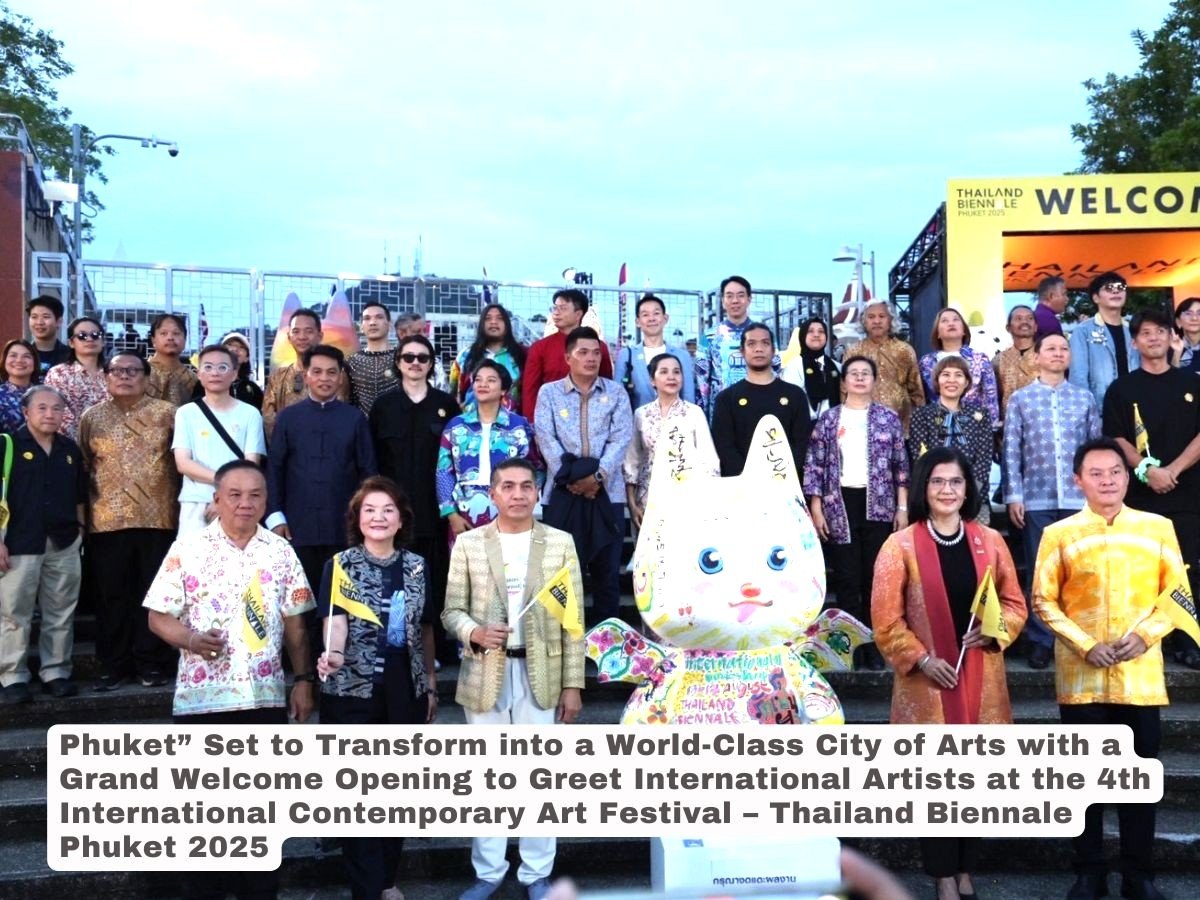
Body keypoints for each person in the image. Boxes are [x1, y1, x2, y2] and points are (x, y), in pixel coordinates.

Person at [145, 458, 314, 900]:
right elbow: (158, 616)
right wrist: (190, 638)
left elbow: (296, 624)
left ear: (266, 500)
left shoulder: (281, 552)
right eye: (234, 495)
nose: (245, 503)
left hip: (264, 700)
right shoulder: (188, 549)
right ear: (216, 499)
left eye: (255, 495)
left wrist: (302, 680)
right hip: (202, 700)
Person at [872, 446, 1026, 900]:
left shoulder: (990, 541)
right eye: (938, 481)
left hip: (981, 678)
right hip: (927, 684)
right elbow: (886, 619)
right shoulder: (899, 545)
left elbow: (1014, 603)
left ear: (967, 488)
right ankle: (942, 873)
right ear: (924, 487)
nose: (947, 490)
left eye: (956, 481)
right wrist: (921, 658)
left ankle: (965, 868)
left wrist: (995, 631)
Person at [1034, 437, 1182, 900]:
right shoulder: (1059, 534)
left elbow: (1178, 596)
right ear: (1078, 481)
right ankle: (1089, 872)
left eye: (1115, 471)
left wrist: (1146, 635)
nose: (1107, 481)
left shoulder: (1158, 528)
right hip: (1082, 677)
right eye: (1095, 473)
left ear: (1127, 477)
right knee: (1084, 782)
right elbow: (1043, 600)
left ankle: (1139, 876)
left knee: (1138, 782)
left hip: (1140, 677)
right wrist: (1084, 645)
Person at [442, 458, 584, 900]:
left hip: (543, 672)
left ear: (538, 493)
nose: (518, 494)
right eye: (507, 486)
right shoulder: (469, 543)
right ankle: (488, 872)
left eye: (526, 486)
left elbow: (574, 620)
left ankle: (536, 872)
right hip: (485, 670)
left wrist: (574, 684)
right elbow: (451, 611)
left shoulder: (560, 542)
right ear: (492, 493)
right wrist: (474, 632)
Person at [316, 476, 437, 900]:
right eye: (369, 510)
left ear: (401, 519)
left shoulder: (417, 566)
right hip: (352, 690)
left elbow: (425, 628)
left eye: (388, 510)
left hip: (405, 688)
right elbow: (335, 620)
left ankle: (387, 880)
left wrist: (430, 684)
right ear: (357, 519)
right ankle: (367, 889)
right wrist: (333, 653)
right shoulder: (341, 564)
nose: (379, 517)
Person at [1102, 307, 1200, 670]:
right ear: (1135, 342)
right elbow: (1116, 437)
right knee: (1142, 569)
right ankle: (1144, 642)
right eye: (1146, 332)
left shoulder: (1192, 383)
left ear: (1171, 336)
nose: (1154, 337)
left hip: (1188, 493)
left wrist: (1172, 470)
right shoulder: (1122, 388)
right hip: (1141, 496)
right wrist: (1147, 470)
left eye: (1161, 330)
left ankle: (1188, 641)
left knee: (1187, 568)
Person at [267, 344, 377, 659]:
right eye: (317, 372)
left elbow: (368, 472)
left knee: (341, 599)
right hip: (296, 525)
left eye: (331, 372)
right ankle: (302, 667)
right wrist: (275, 517)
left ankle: (338, 661)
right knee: (299, 600)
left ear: (341, 377)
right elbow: (274, 470)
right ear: (306, 375)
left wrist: (365, 519)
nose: (324, 379)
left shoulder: (354, 419)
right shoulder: (288, 418)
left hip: (343, 525)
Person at [78, 353, 179, 690]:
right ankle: (113, 666)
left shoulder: (168, 413)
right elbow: (84, 464)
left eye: (133, 371)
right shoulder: (92, 417)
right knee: (111, 597)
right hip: (106, 520)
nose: (124, 376)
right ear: (106, 377)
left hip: (159, 518)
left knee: (154, 595)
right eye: (116, 371)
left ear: (147, 378)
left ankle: (152, 663)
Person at [1003, 333, 1102, 669]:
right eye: (1051, 349)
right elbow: (1011, 449)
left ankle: (1078, 636)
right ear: (1037, 356)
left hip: (1078, 499)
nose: (1058, 353)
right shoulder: (1021, 399)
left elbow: (1094, 448)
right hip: (1036, 498)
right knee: (1041, 569)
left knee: (1079, 568)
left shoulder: (1084, 398)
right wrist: (1014, 495)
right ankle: (1041, 639)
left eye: (1063, 349)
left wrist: (1095, 492)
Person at [804, 355, 909, 671]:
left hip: (880, 504)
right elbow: (814, 464)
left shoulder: (888, 418)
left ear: (874, 380)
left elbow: (901, 465)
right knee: (848, 578)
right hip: (838, 505)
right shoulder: (829, 419)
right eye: (854, 373)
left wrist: (902, 507)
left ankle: (874, 646)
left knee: (874, 579)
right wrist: (816, 507)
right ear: (844, 381)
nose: (860, 378)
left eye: (866, 373)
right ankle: (849, 648)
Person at [370, 334, 462, 663]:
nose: (415, 363)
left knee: (435, 579)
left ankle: (436, 647)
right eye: (408, 357)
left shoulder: (446, 405)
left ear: (431, 363)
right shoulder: (383, 406)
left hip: (435, 513)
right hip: (393, 513)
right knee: (395, 580)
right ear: (398, 362)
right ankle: (400, 647)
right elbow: (373, 460)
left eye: (423, 358)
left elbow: (455, 460)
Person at [534, 327, 632, 625]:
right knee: (561, 575)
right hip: (562, 493)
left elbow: (621, 438)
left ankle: (608, 642)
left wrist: (598, 477)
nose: (591, 358)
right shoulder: (549, 393)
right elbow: (545, 437)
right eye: (583, 352)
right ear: (568, 358)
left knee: (607, 575)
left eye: (596, 353)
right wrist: (571, 479)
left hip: (607, 494)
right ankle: (563, 644)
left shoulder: (615, 393)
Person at [0, 386, 86, 704]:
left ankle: (56, 672)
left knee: (61, 611)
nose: (50, 414)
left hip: (63, 540)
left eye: (57, 408)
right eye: (42, 408)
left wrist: (80, 530)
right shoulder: (7, 445)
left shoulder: (69, 449)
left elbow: (79, 494)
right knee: (14, 613)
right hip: (19, 541)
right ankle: (12, 676)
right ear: (26, 412)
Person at [437, 359, 540, 541]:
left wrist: (525, 501)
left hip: (511, 508)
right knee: (467, 559)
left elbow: (536, 467)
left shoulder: (519, 426)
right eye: (478, 380)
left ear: (503, 389)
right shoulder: (456, 425)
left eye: (491, 380)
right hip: (464, 511)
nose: (483, 384)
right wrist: (451, 513)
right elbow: (444, 471)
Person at [173, 344, 266, 535]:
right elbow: (183, 463)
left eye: (222, 367)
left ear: (234, 374)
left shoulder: (250, 413)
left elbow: (250, 464)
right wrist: (224, 483)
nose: (215, 373)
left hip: (238, 503)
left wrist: (226, 497)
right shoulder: (186, 413)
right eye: (208, 367)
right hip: (196, 502)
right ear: (199, 374)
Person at [623, 352, 719, 528]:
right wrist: (632, 504)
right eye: (664, 372)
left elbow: (709, 461)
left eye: (676, 372)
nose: (671, 377)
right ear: (652, 380)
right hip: (647, 501)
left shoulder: (694, 413)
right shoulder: (641, 414)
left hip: (688, 501)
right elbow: (632, 462)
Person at [712, 323, 811, 476]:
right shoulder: (726, 399)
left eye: (765, 343)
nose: (758, 349)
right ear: (742, 351)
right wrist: (748, 476)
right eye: (751, 344)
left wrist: (783, 473)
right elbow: (724, 446)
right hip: (741, 484)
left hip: (786, 482)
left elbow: (802, 443)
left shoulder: (795, 396)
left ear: (773, 350)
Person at [907, 356, 994, 525]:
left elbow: (984, 459)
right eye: (946, 374)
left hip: (973, 497)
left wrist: (967, 491)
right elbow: (921, 458)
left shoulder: (980, 415)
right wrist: (940, 489)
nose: (952, 380)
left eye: (958, 375)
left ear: (966, 382)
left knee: (975, 539)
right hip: (934, 497)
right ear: (937, 380)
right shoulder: (922, 415)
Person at [522, 289, 613, 422]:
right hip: (551, 420)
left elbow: (607, 386)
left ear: (578, 314)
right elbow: (530, 390)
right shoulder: (539, 348)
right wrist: (531, 423)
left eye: (563, 308)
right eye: (555, 308)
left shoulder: (599, 347)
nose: (556, 312)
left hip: (591, 419)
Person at [696, 275, 780, 418]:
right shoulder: (709, 337)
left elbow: (776, 370)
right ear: (723, 301)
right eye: (729, 296)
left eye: (740, 295)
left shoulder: (764, 335)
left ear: (749, 299)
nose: (735, 300)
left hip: (760, 407)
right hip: (722, 410)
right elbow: (701, 380)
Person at [263, 308, 349, 439]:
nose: (302, 337)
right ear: (289, 337)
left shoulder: (335, 375)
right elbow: (269, 418)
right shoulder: (278, 376)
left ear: (320, 336)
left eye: (308, 331)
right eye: (296, 331)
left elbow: (339, 414)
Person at [841, 299, 924, 432]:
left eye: (882, 316)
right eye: (871, 317)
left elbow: (916, 390)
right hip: (862, 427)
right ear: (864, 321)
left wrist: (919, 426)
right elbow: (844, 391)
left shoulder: (904, 350)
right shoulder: (854, 352)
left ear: (891, 320)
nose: (877, 321)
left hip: (900, 427)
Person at [918, 307, 999, 426]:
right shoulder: (926, 362)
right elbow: (921, 398)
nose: (951, 323)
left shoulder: (980, 359)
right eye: (944, 321)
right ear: (937, 333)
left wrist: (991, 427)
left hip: (974, 427)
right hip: (937, 427)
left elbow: (990, 397)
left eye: (955, 320)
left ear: (964, 330)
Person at [1069, 272, 1139, 408]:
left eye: (1120, 287)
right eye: (1109, 288)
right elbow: (1078, 377)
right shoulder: (1083, 331)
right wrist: (1086, 410)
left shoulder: (1134, 329)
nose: (1116, 291)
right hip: (1101, 407)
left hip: (1134, 404)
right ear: (1096, 298)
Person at [613, 294, 695, 409]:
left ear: (665, 318)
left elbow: (688, 397)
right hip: (636, 419)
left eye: (656, 313)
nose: (651, 319)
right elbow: (618, 395)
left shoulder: (682, 356)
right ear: (637, 322)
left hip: (676, 419)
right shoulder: (626, 355)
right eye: (645, 315)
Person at [449, 303, 527, 411]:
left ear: (507, 324)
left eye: (499, 318)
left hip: (511, 419)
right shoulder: (465, 355)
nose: (493, 322)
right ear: (481, 324)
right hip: (471, 418)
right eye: (488, 318)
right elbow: (453, 391)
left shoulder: (522, 355)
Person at [44, 315, 109, 441]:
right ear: (71, 343)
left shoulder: (115, 373)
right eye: (82, 336)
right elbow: (60, 415)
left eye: (95, 335)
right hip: (70, 445)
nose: (89, 339)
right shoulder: (59, 374)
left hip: (112, 446)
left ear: (103, 341)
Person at [781, 315, 841, 421]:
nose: (816, 335)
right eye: (810, 331)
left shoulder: (836, 366)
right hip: (805, 425)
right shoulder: (793, 367)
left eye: (821, 331)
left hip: (836, 425)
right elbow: (792, 400)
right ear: (803, 335)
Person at [347, 301, 398, 415]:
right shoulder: (352, 362)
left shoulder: (402, 359)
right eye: (367, 318)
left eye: (379, 317)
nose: (372, 323)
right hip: (361, 423)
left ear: (389, 324)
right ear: (361, 326)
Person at [991, 304, 1039, 423]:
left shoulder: (1046, 357)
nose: (1024, 322)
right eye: (1018, 318)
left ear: (1036, 327)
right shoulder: (998, 360)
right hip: (1009, 423)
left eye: (1029, 318)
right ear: (1008, 328)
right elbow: (993, 397)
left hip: (1040, 422)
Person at [145, 313, 198, 406]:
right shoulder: (142, 373)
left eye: (176, 333)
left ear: (185, 340)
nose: (170, 338)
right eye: (163, 333)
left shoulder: (192, 379)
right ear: (153, 340)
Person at [394, 311, 450, 391]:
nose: (424, 335)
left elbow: (443, 392)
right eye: (418, 331)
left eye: (424, 331)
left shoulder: (435, 363)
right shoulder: (388, 361)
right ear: (402, 333)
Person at [0, 339, 39, 433]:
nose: (19, 360)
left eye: (26, 356)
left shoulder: (45, 393)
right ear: (4, 360)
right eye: (13, 355)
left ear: (35, 362)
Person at [26, 295, 70, 377]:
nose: (39, 322)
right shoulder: (21, 355)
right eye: (34, 317)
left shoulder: (70, 356)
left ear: (59, 321)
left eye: (46, 317)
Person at [220, 331, 265, 409]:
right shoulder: (207, 383)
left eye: (241, 347)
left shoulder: (253, 389)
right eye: (230, 345)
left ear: (246, 358)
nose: (235, 349)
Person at [1033, 275, 1068, 341]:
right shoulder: (1048, 318)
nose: (1067, 299)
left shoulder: (1038, 315)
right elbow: (1057, 346)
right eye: (1064, 294)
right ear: (1051, 296)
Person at [1170, 296, 1200, 373]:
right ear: (1178, 322)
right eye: (1188, 314)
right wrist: (1177, 353)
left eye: (1199, 313)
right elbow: (1169, 378)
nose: (1194, 318)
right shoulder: (1167, 349)